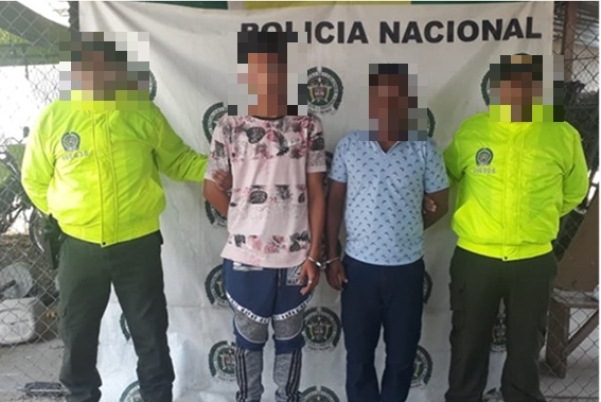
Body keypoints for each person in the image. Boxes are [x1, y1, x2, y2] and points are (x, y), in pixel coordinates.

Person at [21, 32, 209, 402]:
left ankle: (157, 395)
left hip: (137, 245)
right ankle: (81, 395)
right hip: (79, 247)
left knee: (150, 332)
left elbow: (178, 160)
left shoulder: (141, 112)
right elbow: (34, 179)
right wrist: (68, 215)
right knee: (77, 334)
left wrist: (223, 167)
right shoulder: (54, 117)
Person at [443, 54, 589, 402]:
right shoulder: (472, 131)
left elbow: (574, 191)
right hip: (476, 258)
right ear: (495, 87)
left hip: (532, 261)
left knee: (526, 351)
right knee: (467, 346)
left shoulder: (560, 134)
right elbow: (449, 175)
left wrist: (538, 218)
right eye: (508, 82)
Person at [203, 31, 326, 402]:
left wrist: (314, 255)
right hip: (245, 259)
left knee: (290, 343)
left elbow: (317, 193)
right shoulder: (229, 126)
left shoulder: (307, 125)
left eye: (274, 68)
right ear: (246, 73)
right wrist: (244, 218)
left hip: (295, 258)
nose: (267, 77)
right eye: (258, 68)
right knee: (248, 343)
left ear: (286, 71)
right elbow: (211, 188)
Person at [325, 63, 449, 402]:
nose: (389, 106)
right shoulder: (350, 146)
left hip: (406, 271)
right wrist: (332, 256)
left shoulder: (424, 148)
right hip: (357, 270)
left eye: (398, 99)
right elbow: (334, 203)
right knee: (359, 357)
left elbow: (440, 202)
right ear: (372, 102)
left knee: (401, 358)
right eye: (382, 98)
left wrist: (407, 227)